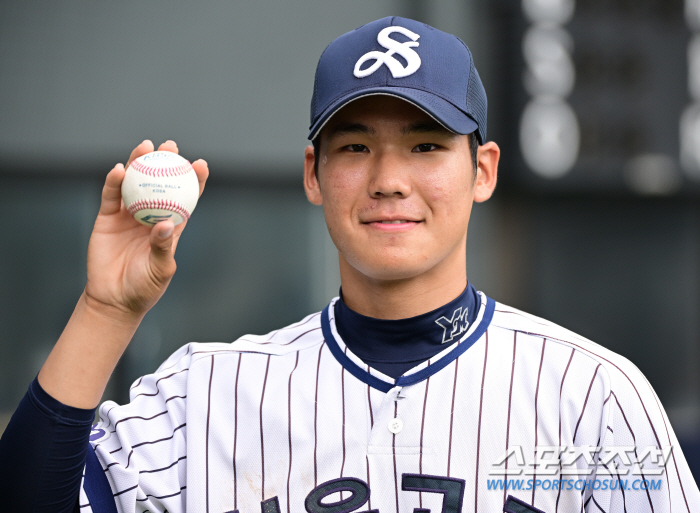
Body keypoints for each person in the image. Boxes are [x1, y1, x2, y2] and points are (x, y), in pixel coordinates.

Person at [1, 15, 698, 513]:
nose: (389, 178)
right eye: (356, 147)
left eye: (426, 146)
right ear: (313, 174)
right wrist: (106, 311)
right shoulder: (205, 395)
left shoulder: (592, 399)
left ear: (482, 170)